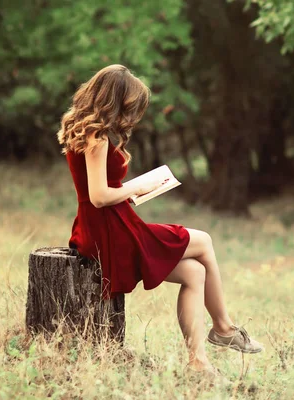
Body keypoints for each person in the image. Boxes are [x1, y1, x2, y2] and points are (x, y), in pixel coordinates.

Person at [57, 64, 262, 380]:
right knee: (204, 240)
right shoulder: (96, 138)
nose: (130, 116)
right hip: (108, 232)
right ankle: (223, 327)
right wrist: (136, 186)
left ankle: (198, 362)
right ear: (114, 100)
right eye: (128, 108)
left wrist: (133, 190)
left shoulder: (85, 131)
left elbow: (100, 193)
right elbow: (98, 196)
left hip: (110, 225)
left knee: (195, 272)